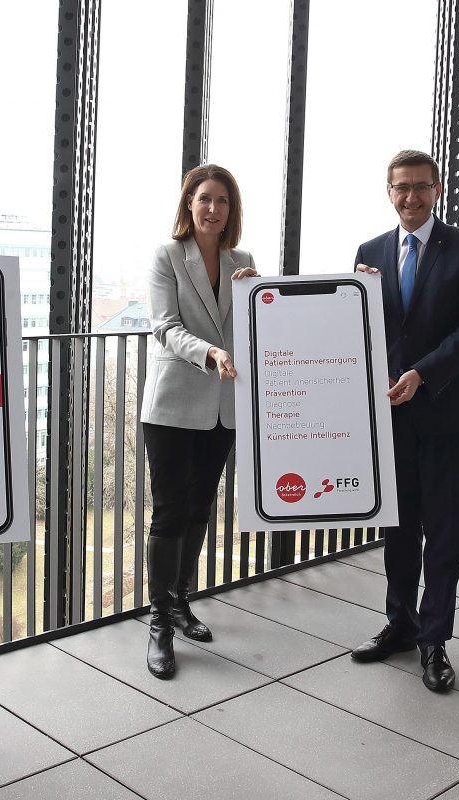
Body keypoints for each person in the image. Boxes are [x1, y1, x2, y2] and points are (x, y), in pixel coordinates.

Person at [351, 150, 459, 692]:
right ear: (388, 191)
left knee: (443, 531)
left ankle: (435, 639)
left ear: (437, 189)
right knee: (397, 525)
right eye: (400, 187)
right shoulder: (369, 252)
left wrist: (421, 373)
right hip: (389, 412)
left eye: (420, 186)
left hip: (446, 411)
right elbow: (360, 326)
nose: (410, 196)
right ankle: (401, 624)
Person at [140, 164, 257, 679]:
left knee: (199, 511)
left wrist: (260, 295)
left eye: (223, 201)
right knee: (168, 513)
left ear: (232, 210)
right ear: (188, 203)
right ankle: (159, 622)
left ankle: (181, 603)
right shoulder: (167, 257)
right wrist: (210, 352)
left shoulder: (244, 261)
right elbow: (164, 327)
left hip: (222, 408)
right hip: (173, 405)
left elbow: (257, 326)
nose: (213, 209)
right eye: (204, 198)